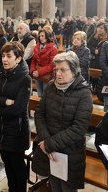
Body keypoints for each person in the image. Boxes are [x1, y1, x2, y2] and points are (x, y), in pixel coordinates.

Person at [32, 51, 93, 191]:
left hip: (70, 153)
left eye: (63, 70)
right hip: (49, 150)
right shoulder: (51, 86)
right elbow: (40, 114)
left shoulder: (83, 93)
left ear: (74, 71)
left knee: (67, 188)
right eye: (56, 69)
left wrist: (50, 144)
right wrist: (47, 143)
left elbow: (79, 128)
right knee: (54, 185)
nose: (58, 74)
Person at [0, 42, 31, 192]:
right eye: (3, 56)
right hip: (0, 128)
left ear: (18, 59)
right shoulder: (0, 73)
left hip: (17, 129)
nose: (4, 59)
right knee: (7, 163)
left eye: (9, 56)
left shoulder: (25, 79)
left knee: (17, 164)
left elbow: (17, 109)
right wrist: (4, 101)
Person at [30, 29, 58, 97]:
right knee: (39, 94)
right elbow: (34, 60)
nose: (41, 38)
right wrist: (33, 71)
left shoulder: (53, 49)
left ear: (48, 37)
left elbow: (52, 65)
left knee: (46, 96)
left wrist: (39, 72)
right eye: (40, 36)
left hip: (47, 75)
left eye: (43, 36)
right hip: (37, 74)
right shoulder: (37, 47)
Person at [87, 22, 108, 91]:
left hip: (103, 59)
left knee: (100, 76)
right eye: (98, 28)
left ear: (105, 29)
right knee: (92, 75)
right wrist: (94, 50)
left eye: (101, 28)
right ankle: (92, 88)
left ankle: (98, 90)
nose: (99, 29)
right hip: (93, 59)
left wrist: (99, 51)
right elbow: (88, 45)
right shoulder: (94, 36)